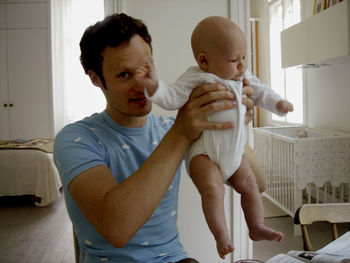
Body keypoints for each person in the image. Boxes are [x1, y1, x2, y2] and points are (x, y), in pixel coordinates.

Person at [53, 13, 257, 263]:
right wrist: (181, 132)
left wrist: (235, 126)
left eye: (146, 69)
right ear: (96, 78)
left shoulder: (172, 128)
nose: (141, 85)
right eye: (124, 75)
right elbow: (117, 229)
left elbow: (260, 182)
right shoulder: (76, 138)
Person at [137, 16, 293, 259]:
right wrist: (154, 86)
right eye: (234, 60)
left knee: (250, 186)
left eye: (244, 57)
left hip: (236, 152)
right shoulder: (197, 76)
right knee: (212, 190)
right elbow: (172, 97)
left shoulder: (243, 78)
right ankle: (222, 235)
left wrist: (278, 104)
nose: (241, 65)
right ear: (204, 60)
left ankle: (255, 226)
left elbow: (262, 92)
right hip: (204, 154)